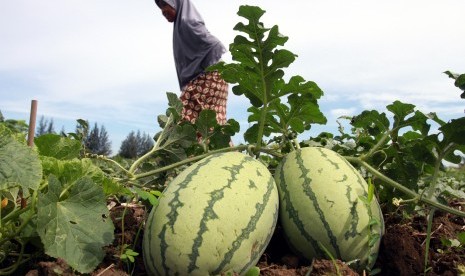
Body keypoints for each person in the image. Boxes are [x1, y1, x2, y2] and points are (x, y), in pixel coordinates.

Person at [155, 0, 229, 126]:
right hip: (212, 79)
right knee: (210, 129)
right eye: (160, 7)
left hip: (208, 78)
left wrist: (207, 65)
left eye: (165, 4)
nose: (162, 11)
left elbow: (213, 45)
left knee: (182, 123)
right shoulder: (181, 27)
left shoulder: (187, 23)